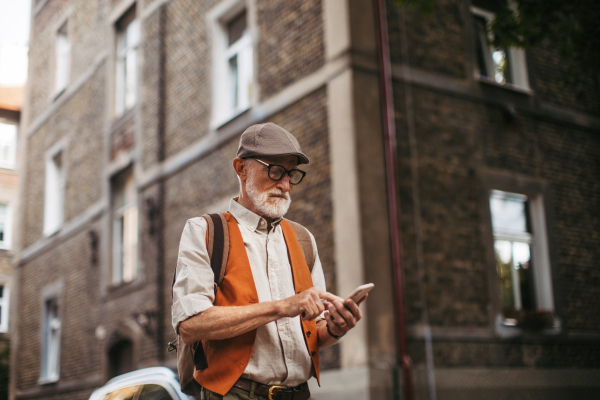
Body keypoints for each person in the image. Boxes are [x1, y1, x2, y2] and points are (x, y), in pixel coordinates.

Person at [171, 122, 364, 400]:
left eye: (292, 174)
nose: (285, 184)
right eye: (275, 170)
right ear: (241, 168)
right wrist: (283, 306)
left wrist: (334, 328)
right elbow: (190, 324)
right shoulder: (205, 231)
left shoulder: (303, 238)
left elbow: (314, 332)